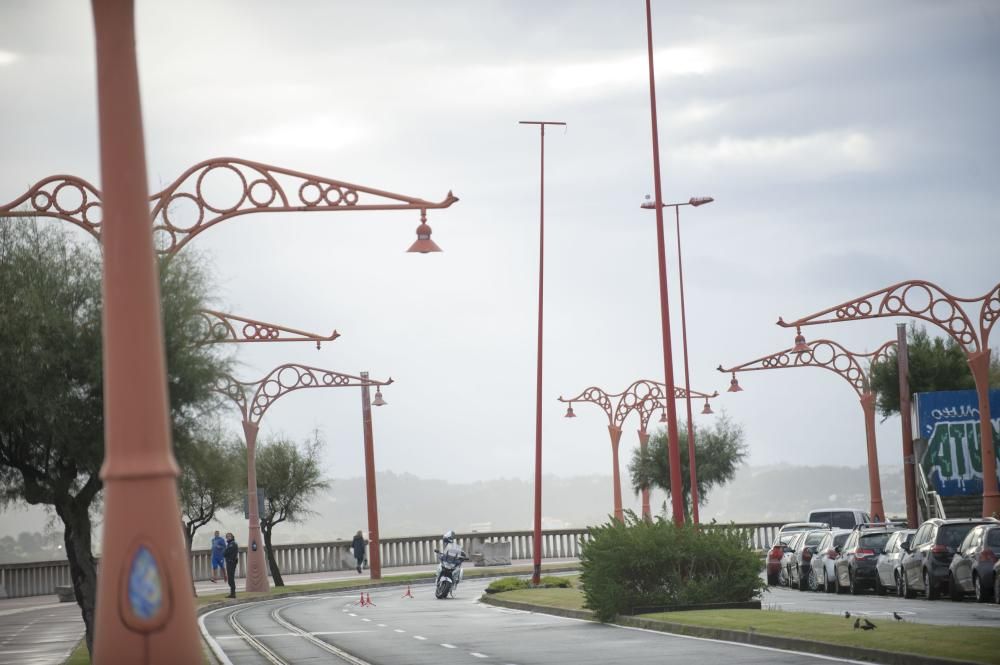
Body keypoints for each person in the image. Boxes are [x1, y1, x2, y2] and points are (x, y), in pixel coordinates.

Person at [224, 532, 239, 599]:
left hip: (231, 562)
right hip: (229, 562)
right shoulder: (229, 544)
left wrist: (225, 552)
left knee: (231, 578)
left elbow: (225, 553)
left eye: (229, 536)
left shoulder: (232, 544)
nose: (228, 538)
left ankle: (233, 594)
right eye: (227, 537)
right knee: (230, 578)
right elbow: (225, 553)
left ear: (232, 537)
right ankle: (232, 593)